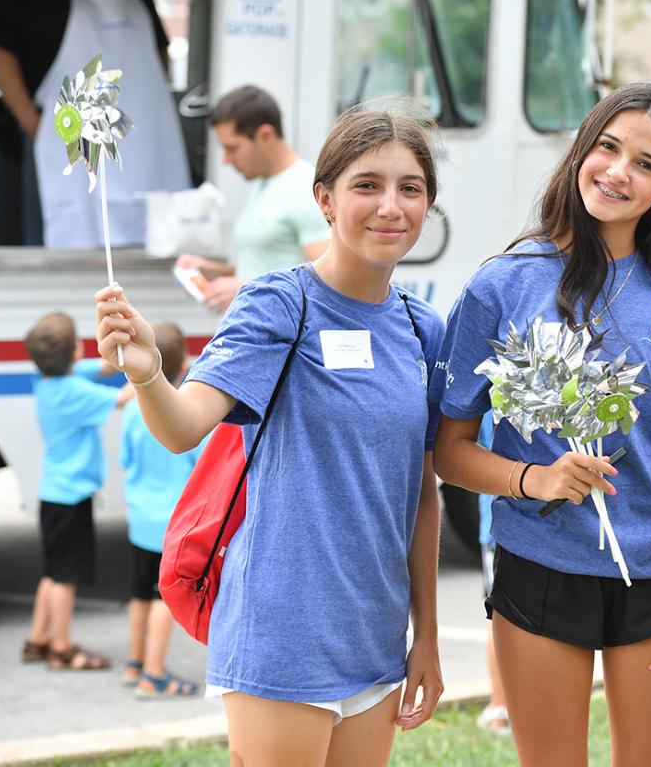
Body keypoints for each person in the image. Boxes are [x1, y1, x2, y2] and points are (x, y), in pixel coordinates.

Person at [94, 106, 445, 765]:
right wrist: (147, 375)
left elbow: (421, 494)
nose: (390, 206)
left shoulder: (426, 329)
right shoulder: (279, 303)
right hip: (279, 630)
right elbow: (184, 426)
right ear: (325, 199)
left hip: (374, 636)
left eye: (410, 188)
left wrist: (425, 636)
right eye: (367, 185)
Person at [432, 82, 651, 767]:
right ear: (581, 151)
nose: (618, 171)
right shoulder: (499, 287)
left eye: (647, 164)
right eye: (608, 147)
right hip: (540, 566)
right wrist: (534, 479)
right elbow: (449, 451)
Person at [0, 0, 189, 248]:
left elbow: (160, 51)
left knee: (153, 244)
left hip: (142, 145)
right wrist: (33, 123)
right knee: (64, 246)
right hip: (65, 141)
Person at [21, 311, 132, 670]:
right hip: (71, 499)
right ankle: (62, 648)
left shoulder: (47, 380)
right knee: (66, 579)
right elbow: (121, 398)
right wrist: (155, 370)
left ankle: (37, 640)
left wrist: (116, 358)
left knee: (52, 572)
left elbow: (97, 369)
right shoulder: (73, 391)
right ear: (75, 351)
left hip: (52, 495)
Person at [176, 85, 330, 312]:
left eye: (232, 148)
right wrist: (213, 271)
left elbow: (329, 278)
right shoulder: (267, 185)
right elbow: (268, 266)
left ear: (265, 135)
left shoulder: (305, 189)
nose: (226, 160)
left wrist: (248, 289)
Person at [119, 322, 203, 698]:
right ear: (184, 365)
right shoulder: (184, 415)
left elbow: (125, 460)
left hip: (139, 517)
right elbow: (199, 467)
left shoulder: (131, 410)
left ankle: (134, 661)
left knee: (138, 594)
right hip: (169, 523)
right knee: (162, 599)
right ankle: (153, 674)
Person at [473, 414, 510, 736]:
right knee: (500, 618)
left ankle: (502, 705)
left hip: (505, 524)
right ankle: (499, 706)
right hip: (499, 526)